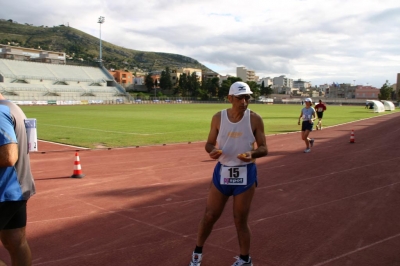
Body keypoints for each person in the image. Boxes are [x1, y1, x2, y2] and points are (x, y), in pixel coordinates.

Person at [188, 81, 268, 266]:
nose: (244, 101)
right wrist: (212, 150)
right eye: (240, 97)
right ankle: (197, 254)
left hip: (245, 173)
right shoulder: (218, 117)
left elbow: (263, 148)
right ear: (230, 98)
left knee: (240, 220)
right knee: (209, 215)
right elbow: (208, 143)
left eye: (247, 97)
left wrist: (252, 153)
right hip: (222, 172)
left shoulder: (255, 119)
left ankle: (245, 260)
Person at [0, 93, 35, 266]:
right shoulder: (12, 107)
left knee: (15, 242)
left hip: (3, 191)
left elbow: (8, 156)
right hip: (17, 188)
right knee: (15, 241)